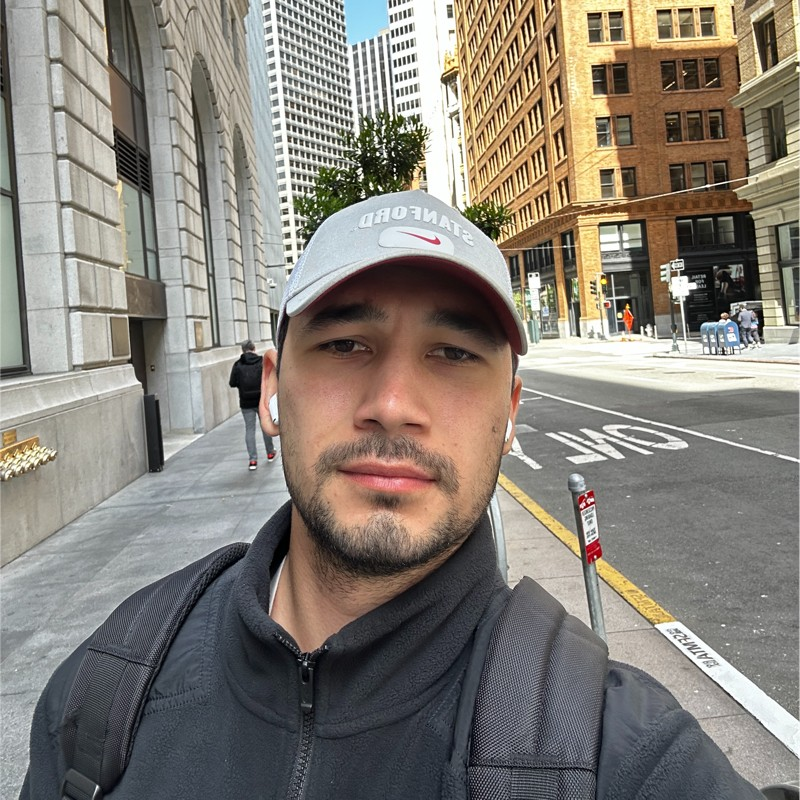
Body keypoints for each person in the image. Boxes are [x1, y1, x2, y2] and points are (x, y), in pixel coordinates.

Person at [21, 190, 763, 799]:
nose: (393, 404)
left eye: (453, 353)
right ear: (273, 391)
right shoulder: (104, 691)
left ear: (510, 415)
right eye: (345, 345)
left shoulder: (623, 755)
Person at [229, 339, 275, 469]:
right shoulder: (261, 362)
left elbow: (232, 383)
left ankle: (253, 460)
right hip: (261, 400)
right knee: (265, 426)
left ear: (243, 350)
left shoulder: (238, 365)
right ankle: (270, 452)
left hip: (246, 402)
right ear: (254, 348)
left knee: (249, 429)